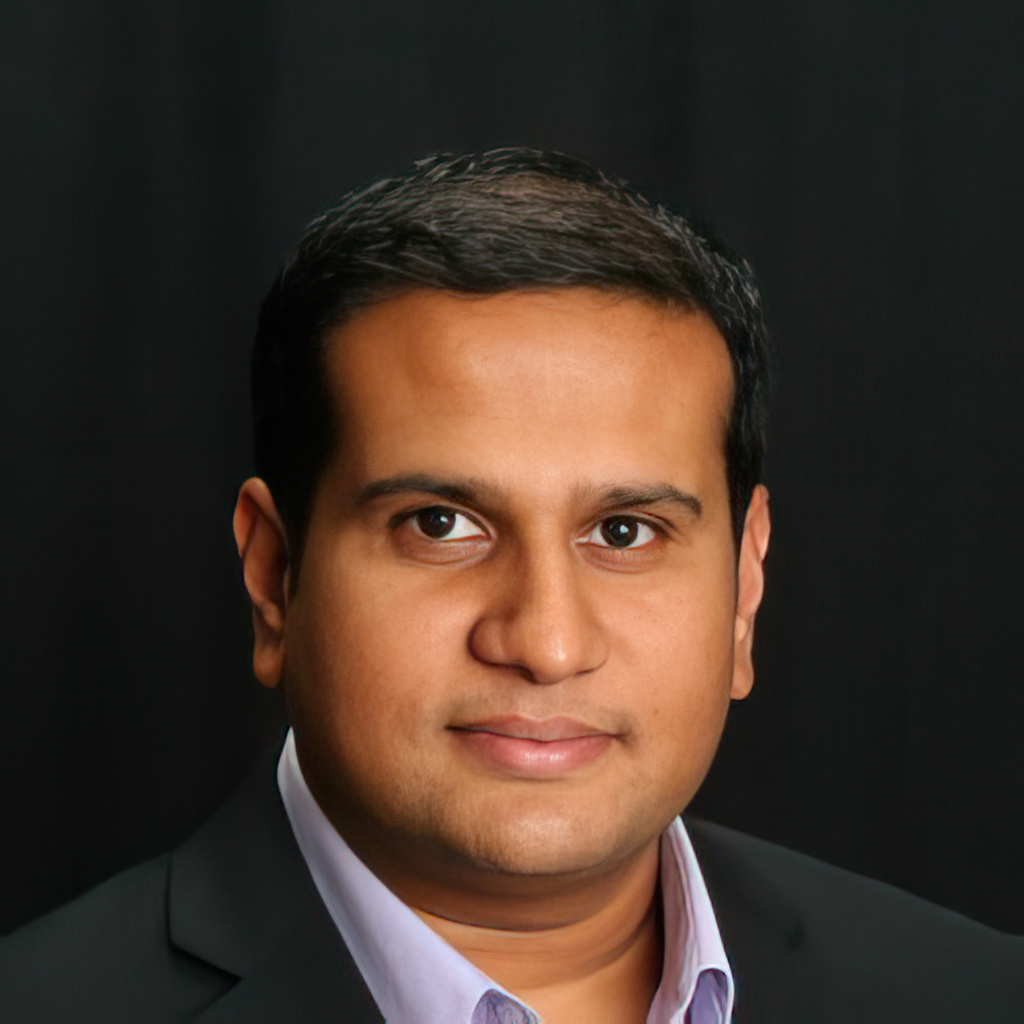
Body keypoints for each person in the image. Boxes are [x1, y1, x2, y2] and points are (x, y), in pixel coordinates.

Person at [1, 149, 1020, 1023]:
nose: (545, 640)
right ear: (274, 573)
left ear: (745, 588)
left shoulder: (969, 994)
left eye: (624, 531)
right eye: (439, 525)